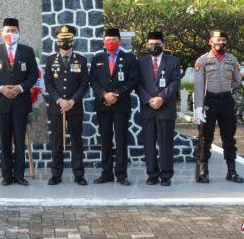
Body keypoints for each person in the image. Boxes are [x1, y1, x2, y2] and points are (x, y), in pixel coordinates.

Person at [0, 18, 38, 186]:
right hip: (2, 103)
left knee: (20, 141)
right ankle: (7, 175)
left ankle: (19, 175)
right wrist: (2, 89)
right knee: (5, 141)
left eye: (14, 30)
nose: (10, 33)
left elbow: (33, 75)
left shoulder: (27, 51)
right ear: (1, 33)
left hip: (21, 102)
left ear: (19, 32)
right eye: (7, 30)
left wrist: (19, 88)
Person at [89, 28, 139, 186]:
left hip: (121, 105)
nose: (110, 42)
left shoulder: (129, 58)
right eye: (108, 39)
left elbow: (133, 80)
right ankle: (106, 173)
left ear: (120, 41)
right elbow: (93, 81)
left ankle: (121, 174)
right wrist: (104, 94)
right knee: (105, 139)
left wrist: (116, 95)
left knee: (121, 139)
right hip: (103, 105)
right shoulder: (97, 58)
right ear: (103, 42)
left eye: (114, 39)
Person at [194, 29, 244, 184]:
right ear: (210, 41)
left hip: (226, 101)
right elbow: (199, 85)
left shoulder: (232, 59)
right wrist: (198, 107)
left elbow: (237, 80)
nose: (220, 42)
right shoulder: (203, 60)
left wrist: (226, 87)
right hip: (209, 102)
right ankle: (203, 171)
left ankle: (231, 171)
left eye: (223, 40)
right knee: (205, 137)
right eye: (217, 39)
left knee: (229, 137)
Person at [43, 25, 89, 185]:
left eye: (68, 39)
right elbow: (48, 83)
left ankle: (79, 174)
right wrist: (59, 100)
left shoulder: (81, 60)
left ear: (73, 41)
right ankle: (56, 174)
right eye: (62, 39)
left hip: (75, 107)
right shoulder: (51, 60)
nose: (65, 42)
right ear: (57, 41)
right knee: (56, 141)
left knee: (76, 141)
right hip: (57, 107)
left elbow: (84, 84)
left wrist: (71, 101)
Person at [136, 31, 182, 186]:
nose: (154, 46)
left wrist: (161, 98)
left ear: (163, 44)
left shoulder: (174, 61)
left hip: (166, 108)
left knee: (166, 143)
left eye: (157, 44)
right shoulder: (140, 62)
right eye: (151, 44)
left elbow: (175, 82)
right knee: (149, 143)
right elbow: (137, 83)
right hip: (148, 108)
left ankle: (166, 176)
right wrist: (149, 99)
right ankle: (152, 174)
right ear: (147, 45)